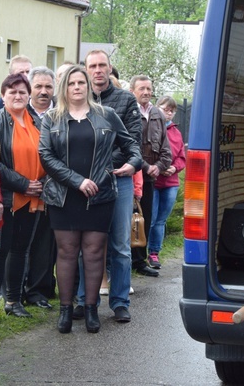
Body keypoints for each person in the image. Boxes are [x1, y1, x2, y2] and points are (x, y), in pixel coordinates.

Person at [39, 65, 141, 334]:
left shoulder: (106, 115)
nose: (76, 87)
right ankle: (65, 310)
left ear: (88, 87)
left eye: (81, 83)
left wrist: (132, 164)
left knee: (95, 253)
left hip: (100, 194)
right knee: (67, 252)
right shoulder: (52, 118)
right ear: (64, 87)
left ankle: (92, 309)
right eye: (71, 83)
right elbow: (46, 156)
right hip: (64, 196)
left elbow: (131, 146)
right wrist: (77, 180)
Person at [77, 50, 143, 323]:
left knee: (120, 245)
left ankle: (119, 302)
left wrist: (102, 164)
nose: (98, 70)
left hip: (118, 179)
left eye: (102, 65)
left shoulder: (126, 100)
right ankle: (82, 300)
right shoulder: (77, 99)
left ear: (109, 67)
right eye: (92, 66)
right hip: (85, 183)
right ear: (85, 69)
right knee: (85, 245)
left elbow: (131, 141)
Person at [0, 73, 46, 324]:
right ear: (2, 96)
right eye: (12, 92)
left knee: (21, 249)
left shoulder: (38, 122)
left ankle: (13, 301)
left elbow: (50, 155)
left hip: (34, 198)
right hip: (7, 197)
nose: (18, 96)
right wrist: (23, 184)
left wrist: (39, 185)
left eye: (22, 92)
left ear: (28, 95)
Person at [129, 75, 172, 275]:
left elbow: (165, 146)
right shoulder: (129, 112)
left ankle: (140, 262)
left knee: (144, 219)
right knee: (127, 220)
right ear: (132, 91)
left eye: (149, 89)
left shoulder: (157, 114)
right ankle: (124, 261)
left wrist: (159, 166)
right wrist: (145, 166)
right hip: (131, 173)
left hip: (151, 178)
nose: (146, 92)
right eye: (142, 89)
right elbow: (130, 146)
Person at [22, 66, 57, 308]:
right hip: (24, 188)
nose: (43, 92)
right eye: (38, 86)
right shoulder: (19, 112)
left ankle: (39, 291)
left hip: (54, 188)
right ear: (30, 88)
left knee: (46, 243)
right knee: (21, 244)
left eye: (48, 87)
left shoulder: (61, 113)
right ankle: (14, 289)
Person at [148, 96, 186, 268]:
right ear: (157, 109)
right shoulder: (150, 127)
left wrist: (174, 168)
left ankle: (154, 253)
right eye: (165, 109)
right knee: (151, 218)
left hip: (170, 183)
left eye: (172, 111)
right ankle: (142, 252)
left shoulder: (176, 133)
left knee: (161, 220)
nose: (169, 113)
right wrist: (158, 167)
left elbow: (181, 158)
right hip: (154, 181)